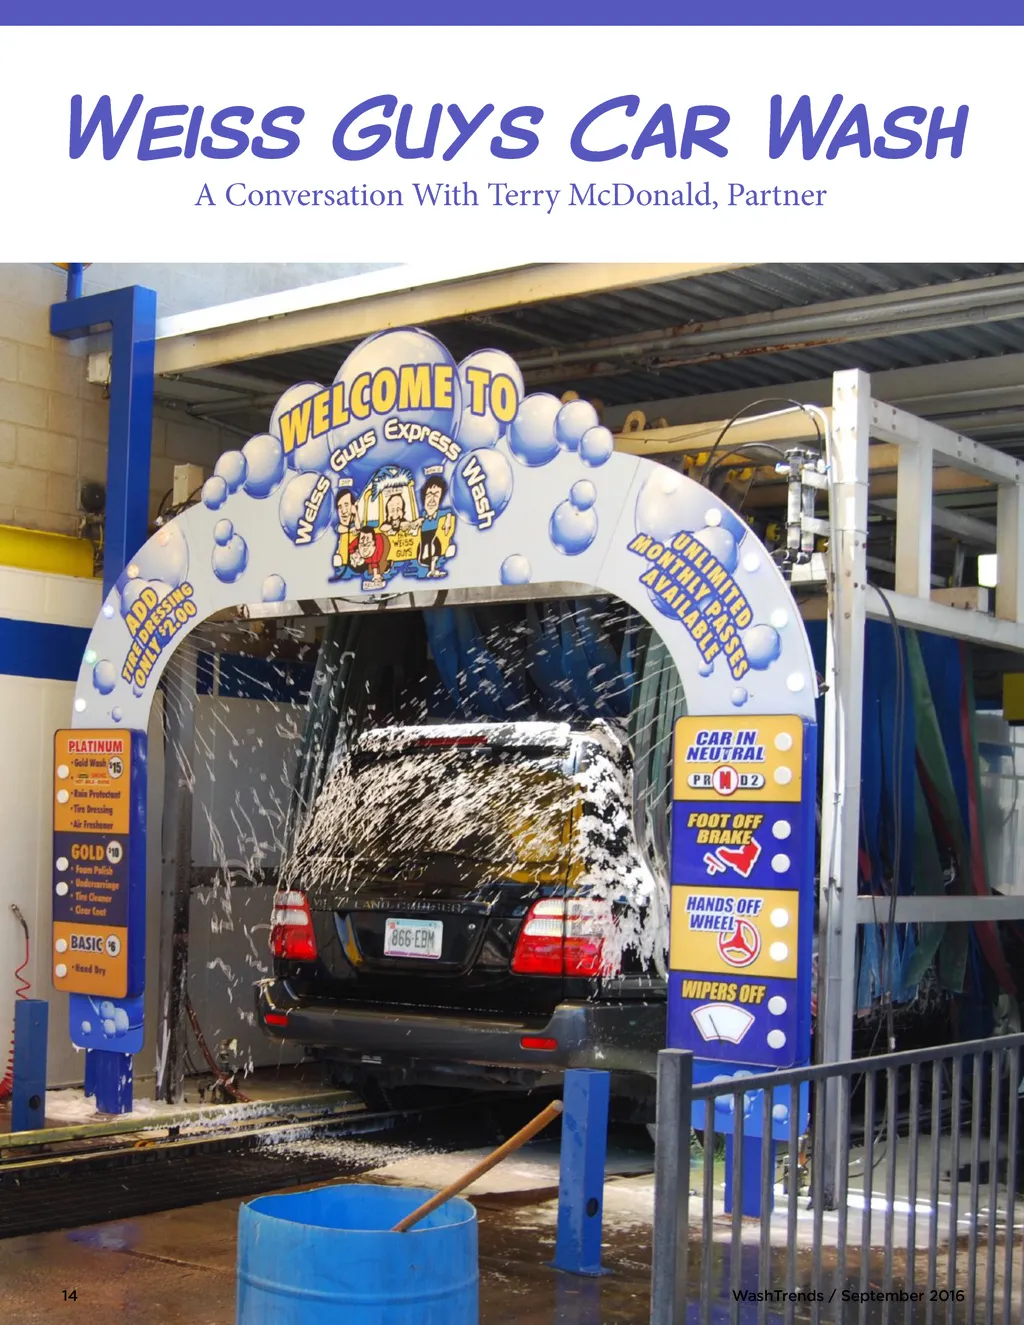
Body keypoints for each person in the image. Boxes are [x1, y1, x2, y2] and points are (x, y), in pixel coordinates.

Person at [416, 473, 449, 579]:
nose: (432, 500)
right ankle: (431, 569)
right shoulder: (423, 514)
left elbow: (448, 511)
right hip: (424, 537)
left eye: (436, 495)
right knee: (424, 557)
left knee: (435, 549)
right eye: (429, 495)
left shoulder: (439, 513)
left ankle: (433, 570)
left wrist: (447, 521)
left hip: (434, 536)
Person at [329, 485, 357, 581]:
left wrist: (356, 514)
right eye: (340, 507)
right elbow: (339, 528)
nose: (344, 511)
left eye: (346, 505)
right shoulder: (339, 526)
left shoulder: (358, 523)